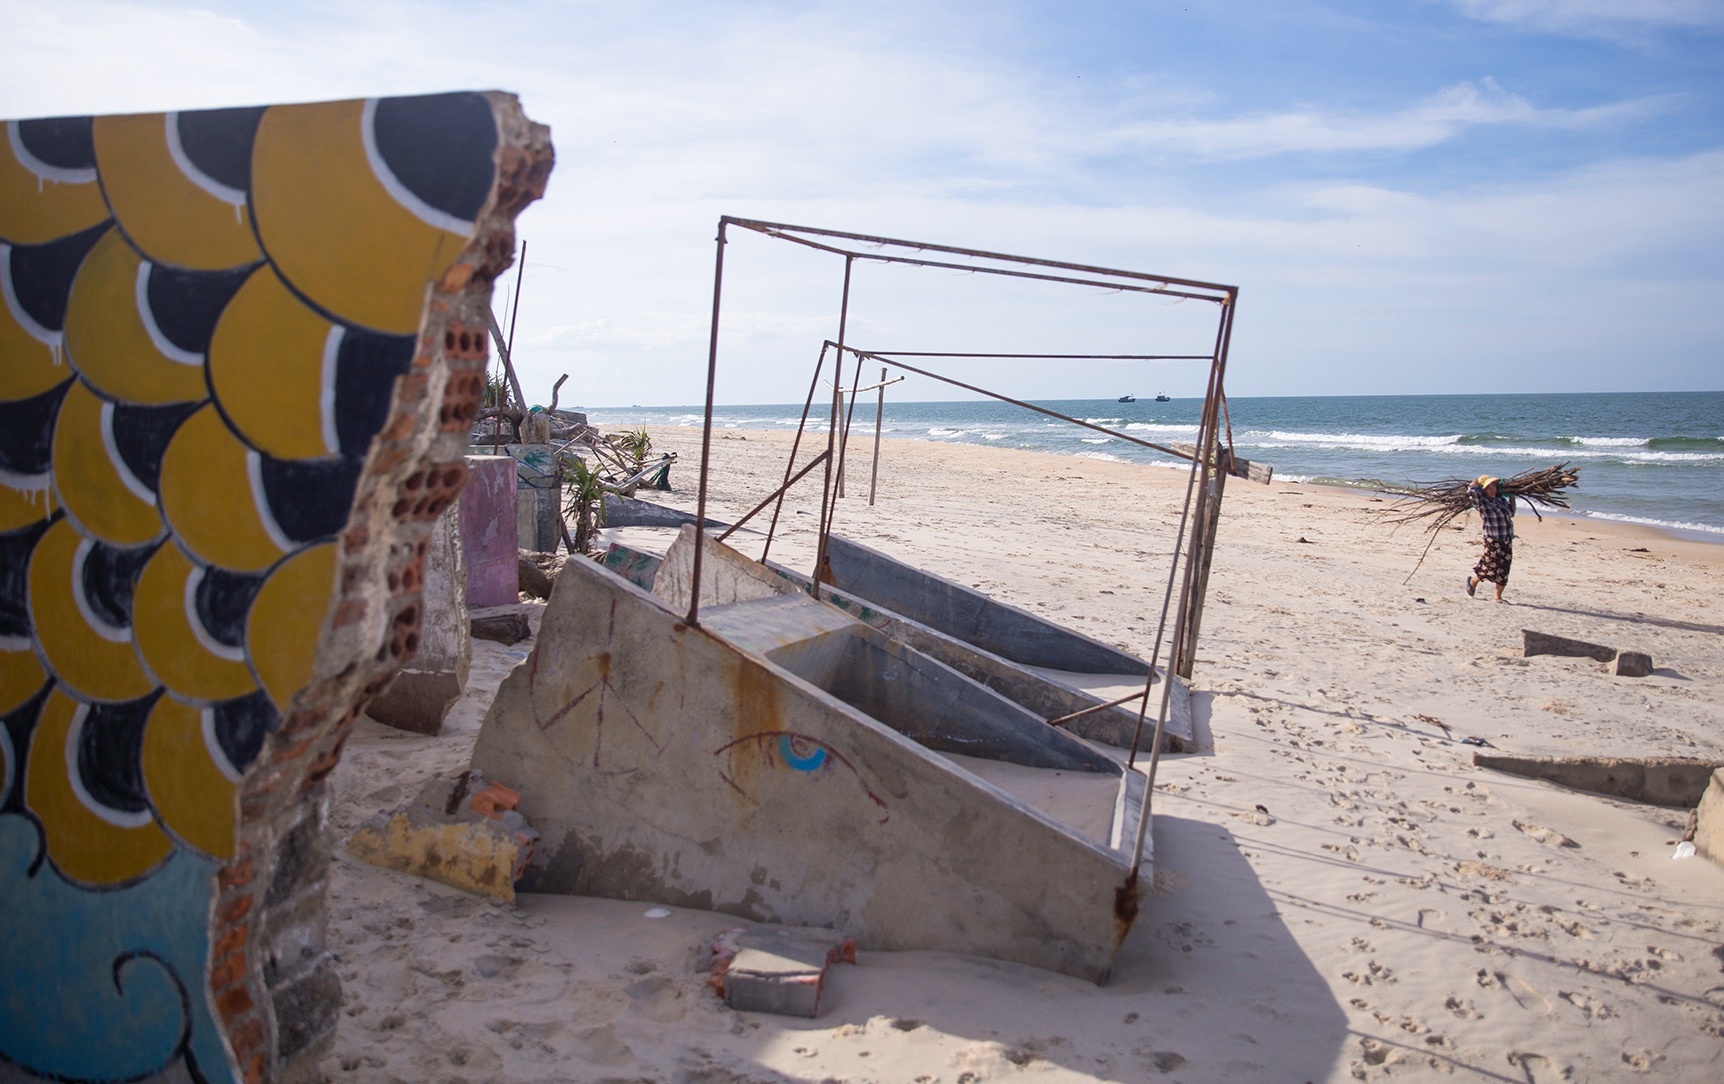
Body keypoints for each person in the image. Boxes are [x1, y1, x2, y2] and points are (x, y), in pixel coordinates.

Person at [1466, 475, 1514, 602]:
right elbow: (1472, 489)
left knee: (1505, 568)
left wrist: (1512, 496)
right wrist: (1479, 479)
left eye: (1494, 486)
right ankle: (1473, 581)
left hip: (1507, 539)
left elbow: (1511, 513)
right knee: (1489, 567)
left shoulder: (1501, 501)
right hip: (1492, 539)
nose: (1492, 489)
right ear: (1484, 490)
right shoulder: (1483, 503)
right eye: (1489, 487)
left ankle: (1497, 597)